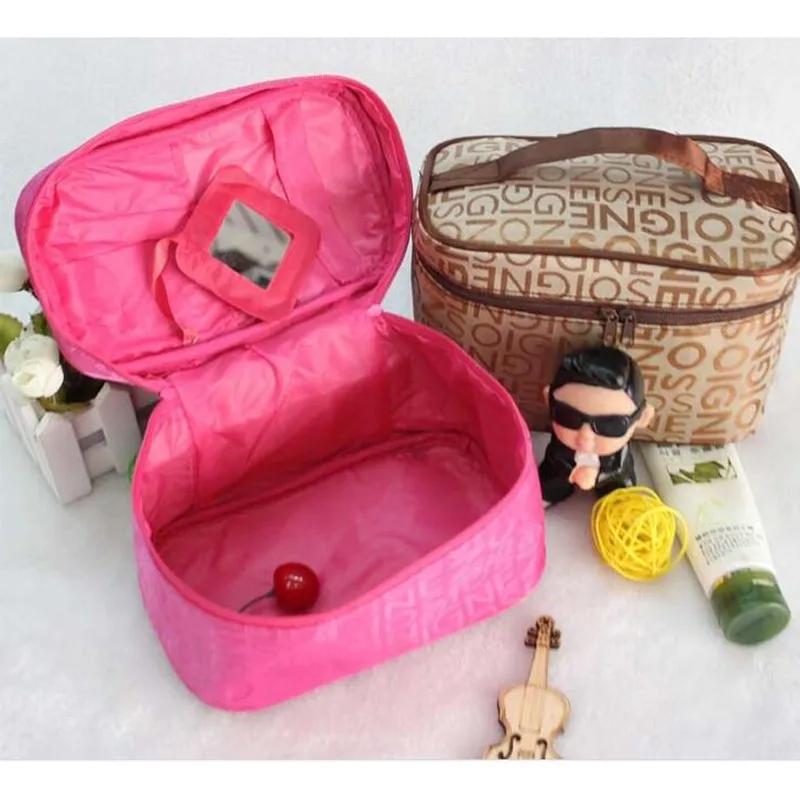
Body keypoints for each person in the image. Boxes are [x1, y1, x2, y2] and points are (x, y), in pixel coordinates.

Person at [538, 345, 654, 507]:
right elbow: (555, 458)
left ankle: (616, 503)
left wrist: (597, 475)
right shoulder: (561, 444)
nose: (585, 437)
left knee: (620, 493)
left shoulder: (617, 455)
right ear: (548, 401)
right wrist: (570, 472)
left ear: (642, 418)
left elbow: (619, 468)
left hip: (611, 479)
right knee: (550, 479)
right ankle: (549, 494)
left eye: (610, 425)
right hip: (561, 473)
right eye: (569, 417)